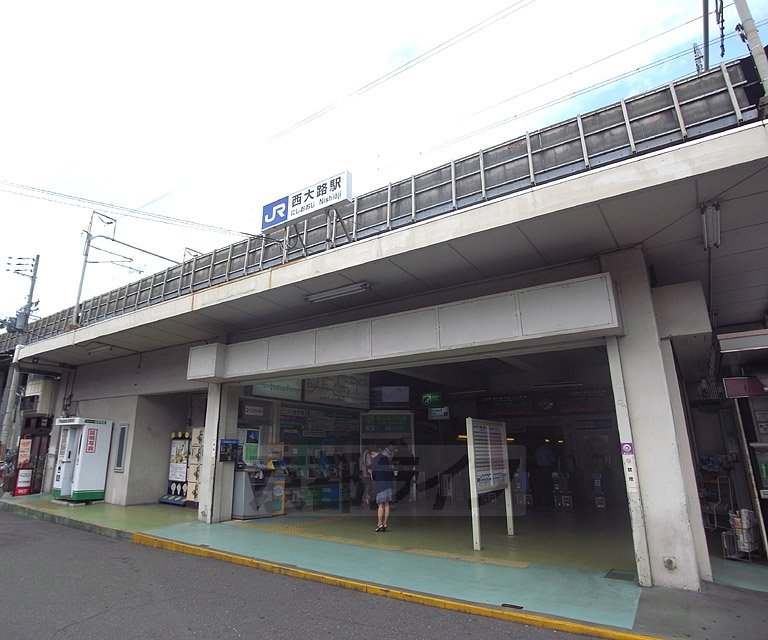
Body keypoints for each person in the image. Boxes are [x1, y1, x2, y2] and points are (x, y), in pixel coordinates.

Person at [368, 446, 394, 531]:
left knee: (380, 505)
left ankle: (379, 524)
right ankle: (385, 523)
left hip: (380, 485)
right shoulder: (386, 458)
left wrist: (371, 472)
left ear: (372, 453)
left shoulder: (375, 460)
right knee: (386, 504)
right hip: (388, 484)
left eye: (371, 455)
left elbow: (374, 477)